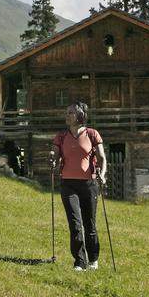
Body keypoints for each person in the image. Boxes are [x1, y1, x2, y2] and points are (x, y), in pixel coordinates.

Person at [51, 101, 106, 271]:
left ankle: (93, 259)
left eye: (71, 113)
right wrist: (52, 157)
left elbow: (102, 158)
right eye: (67, 112)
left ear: (81, 115)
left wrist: (102, 175)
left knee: (90, 224)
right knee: (75, 223)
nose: (67, 116)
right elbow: (55, 153)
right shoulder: (61, 136)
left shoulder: (92, 134)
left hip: (88, 184)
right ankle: (79, 261)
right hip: (68, 184)